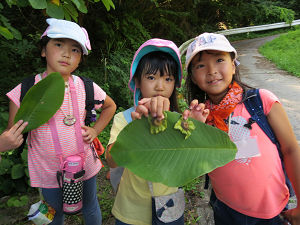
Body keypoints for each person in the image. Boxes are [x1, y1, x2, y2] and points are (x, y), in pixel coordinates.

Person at [6, 18, 116, 225]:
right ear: (43, 51)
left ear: (80, 59)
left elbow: (110, 106)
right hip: (48, 169)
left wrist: (95, 130)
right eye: (58, 45)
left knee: (90, 205)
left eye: (75, 50)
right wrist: (4, 143)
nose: (66, 53)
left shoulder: (86, 86)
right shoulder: (26, 89)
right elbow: (13, 134)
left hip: (85, 163)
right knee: (54, 213)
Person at [183, 32, 300, 225]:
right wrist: (194, 129)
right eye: (201, 65)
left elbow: (291, 149)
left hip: (270, 212)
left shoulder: (261, 101)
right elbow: (192, 163)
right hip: (224, 209)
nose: (211, 70)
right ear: (193, 77)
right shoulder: (199, 115)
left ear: (233, 64)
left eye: (219, 59)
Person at [105, 38, 187, 225]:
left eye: (168, 79)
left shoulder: (178, 120)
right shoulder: (124, 119)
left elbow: (186, 163)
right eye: (151, 78)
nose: (160, 86)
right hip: (131, 208)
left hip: (170, 203)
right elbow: (111, 160)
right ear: (138, 82)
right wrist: (136, 130)